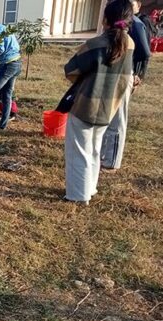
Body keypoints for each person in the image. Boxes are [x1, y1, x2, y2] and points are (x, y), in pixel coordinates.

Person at [63, 0, 134, 205]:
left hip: (86, 106)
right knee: (94, 149)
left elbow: (71, 70)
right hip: (109, 107)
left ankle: (78, 195)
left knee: (78, 152)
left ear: (105, 19)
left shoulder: (95, 44)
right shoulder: (129, 44)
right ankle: (90, 188)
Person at [101, 0, 151, 171]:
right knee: (107, 116)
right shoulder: (119, 23)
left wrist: (137, 72)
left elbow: (144, 52)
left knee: (118, 119)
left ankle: (112, 161)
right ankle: (104, 155)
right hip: (111, 74)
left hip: (123, 74)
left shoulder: (135, 24)